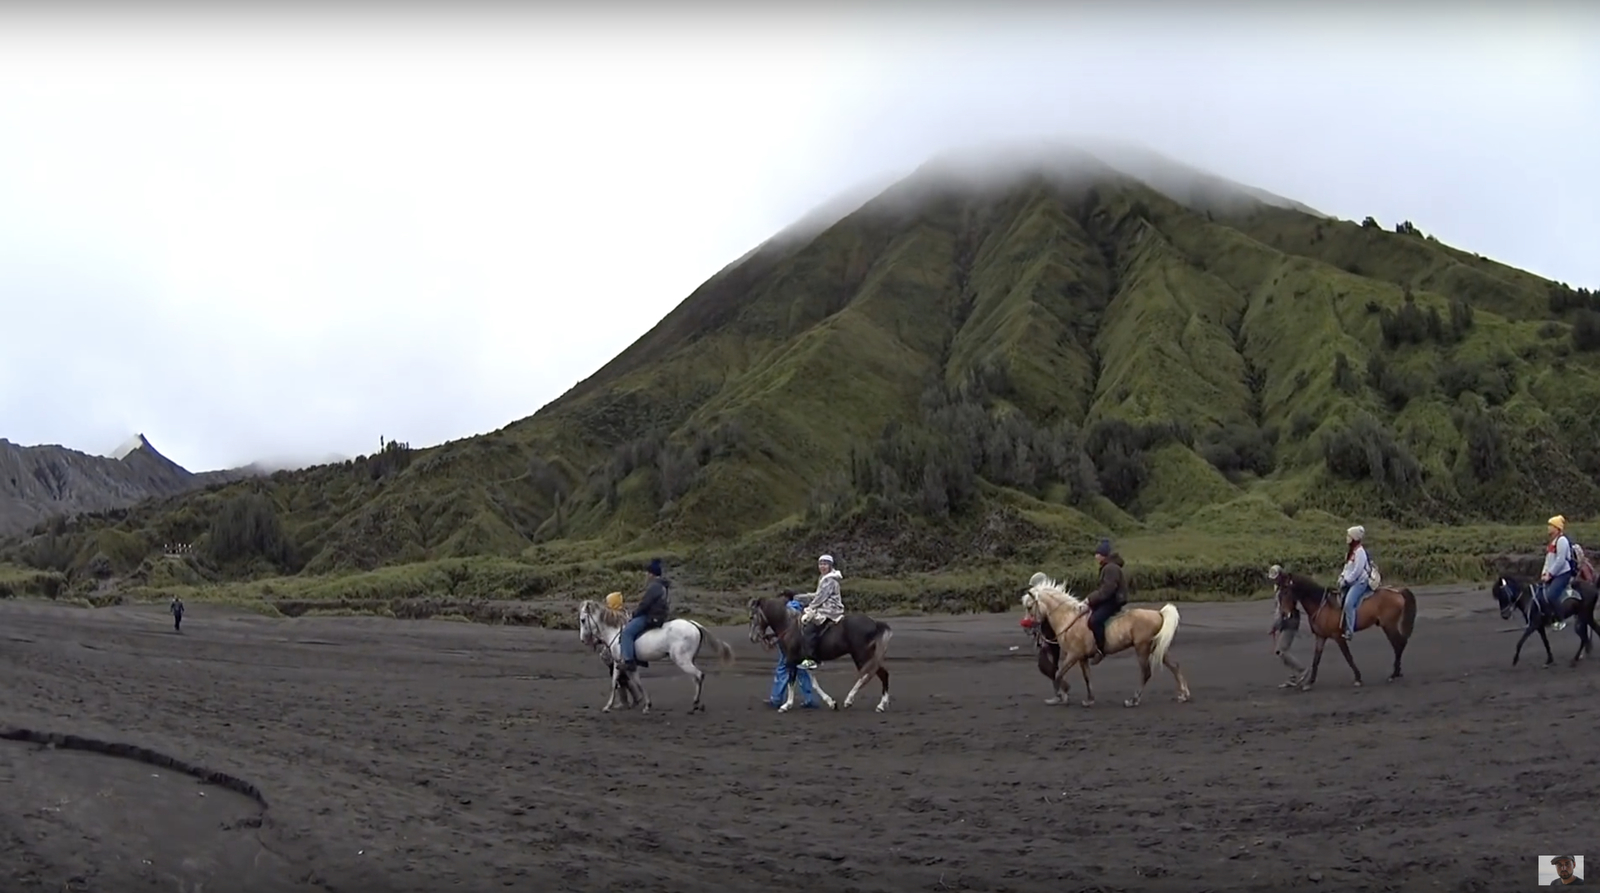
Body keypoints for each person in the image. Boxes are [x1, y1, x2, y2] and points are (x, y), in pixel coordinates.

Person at [619, 559, 671, 672]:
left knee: (627, 633)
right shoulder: (663, 586)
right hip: (660, 616)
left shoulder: (654, 587)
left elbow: (645, 604)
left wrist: (634, 614)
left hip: (651, 617)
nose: (647, 576)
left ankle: (629, 661)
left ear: (652, 574)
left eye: (648, 573)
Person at [794, 554, 843, 671]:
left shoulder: (829, 580)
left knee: (810, 626)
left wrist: (810, 608)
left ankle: (811, 659)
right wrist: (803, 596)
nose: (822, 566)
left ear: (830, 566)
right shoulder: (823, 578)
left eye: (825, 564)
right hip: (824, 605)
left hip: (830, 609)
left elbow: (821, 598)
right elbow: (818, 594)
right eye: (821, 564)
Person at [768, 596, 819, 708]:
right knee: (802, 670)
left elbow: (784, 630)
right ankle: (809, 699)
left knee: (783, 668)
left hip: (788, 644)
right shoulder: (800, 611)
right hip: (800, 645)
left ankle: (776, 699)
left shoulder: (786, 611)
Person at [1083, 539, 1127, 664]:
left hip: (1113, 600)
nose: (1095, 556)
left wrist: (1089, 599)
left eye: (1097, 554)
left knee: (1094, 620)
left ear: (1103, 555)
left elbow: (1108, 590)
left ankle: (1101, 649)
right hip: (1109, 598)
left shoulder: (1110, 568)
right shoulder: (1108, 567)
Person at [1266, 565, 1304, 687]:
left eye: (1276, 578)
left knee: (1281, 650)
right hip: (1285, 622)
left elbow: (1284, 609)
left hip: (1290, 622)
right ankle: (1292, 677)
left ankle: (1302, 670)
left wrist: (1274, 626)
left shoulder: (1287, 590)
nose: (1274, 581)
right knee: (1283, 651)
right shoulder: (1280, 589)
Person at [1540, 515, 1575, 632]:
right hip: (1554, 573)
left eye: (1551, 526)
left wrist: (1550, 574)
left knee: (1551, 595)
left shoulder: (1562, 541)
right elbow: (1548, 559)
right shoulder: (1552, 542)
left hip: (1563, 574)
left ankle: (1561, 619)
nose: (1548, 528)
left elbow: (1561, 560)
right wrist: (1544, 572)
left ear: (1557, 528)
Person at [1338, 525, 1372, 641]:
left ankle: (1350, 631)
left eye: (1349, 536)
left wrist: (1347, 581)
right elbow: (1347, 567)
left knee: (1348, 603)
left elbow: (1357, 571)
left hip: (1360, 582)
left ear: (1354, 538)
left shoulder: (1360, 552)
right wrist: (1342, 577)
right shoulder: (1351, 552)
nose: (1347, 538)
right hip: (1351, 580)